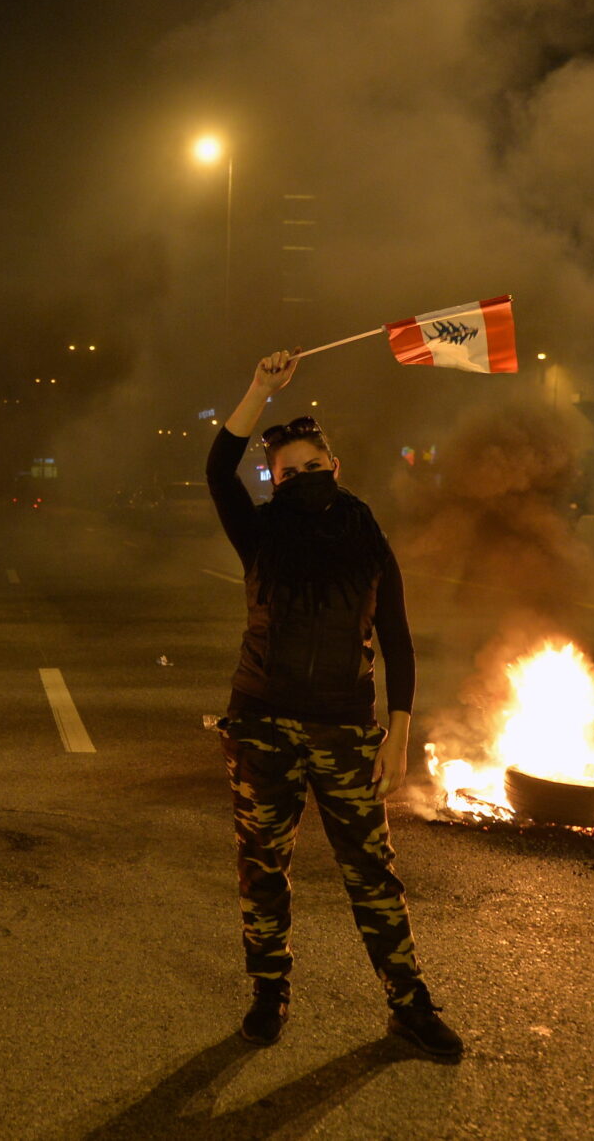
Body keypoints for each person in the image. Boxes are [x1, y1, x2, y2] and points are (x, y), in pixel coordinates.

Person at [204, 350, 462, 1062]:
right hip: (262, 722)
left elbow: (399, 641)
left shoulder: (369, 541)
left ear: (335, 464)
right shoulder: (258, 533)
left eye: (313, 466)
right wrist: (259, 387)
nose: (303, 479)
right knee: (263, 868)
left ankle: (409, 1004)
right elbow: (216, 468)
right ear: (274, 481)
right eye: (288, 473)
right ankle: (268, 991)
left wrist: (399, 731)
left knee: (372, 873)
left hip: (346, 727)